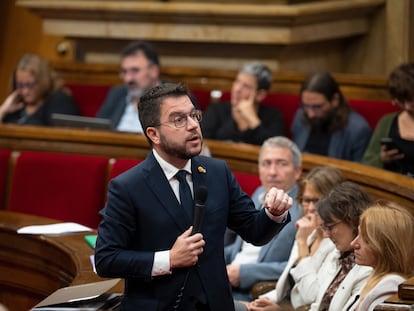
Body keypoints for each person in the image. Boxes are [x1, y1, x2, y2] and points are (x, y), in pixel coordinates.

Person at [94, 83, 294, 311]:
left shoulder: (217, 172)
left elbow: (254, 231)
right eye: (178, 119)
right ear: (154, 134)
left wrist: (274, 213)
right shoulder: (128, 187)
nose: (193, 125)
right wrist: (168, 258)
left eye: (194, 115)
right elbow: (106, 259)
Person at [248, 181, 373, 311]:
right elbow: (316, 305)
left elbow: (310, 297)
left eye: (330, 227)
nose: (326, 234)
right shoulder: (339, 255)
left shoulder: (367, 265)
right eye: (306, 200)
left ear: (352, 220)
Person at [242, 166, 345, 311]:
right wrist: (263, 301)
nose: (310, 208)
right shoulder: (309, 233)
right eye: (306, 200)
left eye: (317, 201)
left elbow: (312, 297)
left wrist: (302, 243)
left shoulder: (337, 243)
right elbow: (285, 287)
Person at [225, 136, 303, 302]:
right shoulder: (259, 193)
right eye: (266, 164)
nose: (272, 172)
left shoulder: (304, 209)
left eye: (281, 164)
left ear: (297, 171)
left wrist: (244, 273)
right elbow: (238, 249)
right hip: (226, 281)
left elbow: (298, 267)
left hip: (254, 295)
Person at [347, 201, 414, 311]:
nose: (354, 243)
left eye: (366, 239)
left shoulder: (391, 287)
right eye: (358, 234)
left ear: (386, 247)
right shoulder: (375, 276)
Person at [291, 72, 371, 162]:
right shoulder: (301, 116)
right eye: (305, 106)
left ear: (335, 100)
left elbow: (359, 173)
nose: (310, 114)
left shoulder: (357, 129)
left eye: (317, 107)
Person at [201, 62, 285, 145]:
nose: (237, 89)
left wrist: (253, 120)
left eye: (246, 86)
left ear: (260, 95)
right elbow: (203, 143)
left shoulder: (273, 116)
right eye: (237, 81)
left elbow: (275, 148)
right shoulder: (216, 110)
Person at [96, 41, 162, 132]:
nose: (128, 79)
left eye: (135, 70)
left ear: (154, 71)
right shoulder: (117, 94)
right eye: (124, 72)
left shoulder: (175, 97)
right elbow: (97, 129)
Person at [362, 62, 414, 176]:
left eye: (411, 99)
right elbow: (367, 163)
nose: (407, 107)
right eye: (402, 101)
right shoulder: (386, 122)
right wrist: (382, 159)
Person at [0, 53, 80, 125]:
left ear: (43, 81)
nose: (25, 91)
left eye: (30, 85)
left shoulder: (60, 102)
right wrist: (3, 110)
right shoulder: (15, 105)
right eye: (20, 85)